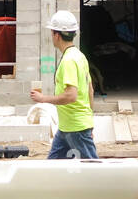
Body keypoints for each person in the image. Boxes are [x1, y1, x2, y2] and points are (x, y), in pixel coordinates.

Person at [31, 10, 98, 160]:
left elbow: (71, 95)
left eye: (52, 33)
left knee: (93, 169)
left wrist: (43, 99)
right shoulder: (80, 56)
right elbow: (90, 91)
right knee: (53, 168)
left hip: (76, 127)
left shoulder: (68, 61)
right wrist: (89, 122)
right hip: (67, 127)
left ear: (57, 35)